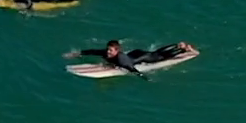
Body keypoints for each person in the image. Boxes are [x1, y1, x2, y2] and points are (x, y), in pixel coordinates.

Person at [68, 39, 196, 76]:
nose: (108, 52)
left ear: (117, 51)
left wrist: (143, 77)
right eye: (108, 49)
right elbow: (92, 51)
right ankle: (179, 45)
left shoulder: (121, 59)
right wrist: (77, 54)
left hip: (141, 57)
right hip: (134, 53)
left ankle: (181, 49)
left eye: (111, 50)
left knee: (159, 56)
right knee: (157, 52)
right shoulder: (105, 53)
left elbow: (131, 68)